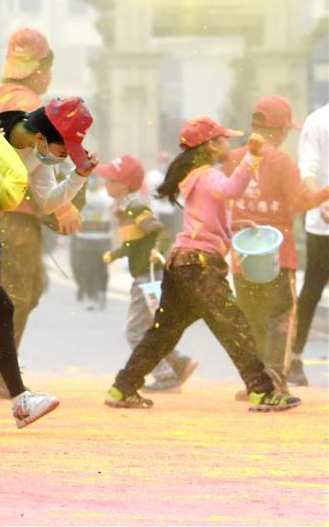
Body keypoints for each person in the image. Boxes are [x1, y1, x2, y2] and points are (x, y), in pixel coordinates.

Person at [105, 116, 301, 412]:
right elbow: (233, 188)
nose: (228, 144)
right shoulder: (208, 175)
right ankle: (261, 392)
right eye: (224, 140)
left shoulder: (197, 176)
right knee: (235, 327)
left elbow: (211, 216)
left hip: (182, 263)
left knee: (163, 332)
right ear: (211, 146)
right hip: (199, 267)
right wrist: (253, 156)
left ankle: (122, 388)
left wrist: (234, 225)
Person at [0, 97, 95, 427]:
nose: (64, 158)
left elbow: (46, 201)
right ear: (41, 138)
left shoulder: (37, 156)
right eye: (63, 150)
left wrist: (79, 177)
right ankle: (17, 399)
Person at [0, 28, 83, 397]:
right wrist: (64, 202)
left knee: (12, 293)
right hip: (13, 214)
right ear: (41, 69)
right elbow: (19, 156)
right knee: (15, 294)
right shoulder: (27, 101)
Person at [223, 96, 329, 394]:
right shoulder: (282, 162)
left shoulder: (233, 158)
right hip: (277, 257)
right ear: (282, 130)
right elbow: (300, 203)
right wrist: (324, 194)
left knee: (251, 318)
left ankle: (256, 383)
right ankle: (276, 382)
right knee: (280, 319)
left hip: (243, 256)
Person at [98, 154, 197, 393]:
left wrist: (157, 251)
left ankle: (165, 376)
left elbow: (161, 232)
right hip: (144, 276)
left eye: (110, 180)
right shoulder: (125, 209)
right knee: (152, 327)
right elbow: (134, 243)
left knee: (134, 332)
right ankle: (179, 363)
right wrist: (116, 254)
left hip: (148, 278)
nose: (105, 184)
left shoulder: (136, 208)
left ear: (123, 185)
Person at [289, 102, 329, 385]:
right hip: (323, 223)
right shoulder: (318, 122)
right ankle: (294, 357)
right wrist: (321, 201)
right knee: (313, 289)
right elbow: (308, 169)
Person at [70, 175, 111, 310]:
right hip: (85, 238)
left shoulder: (106, 196)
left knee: (101, 268)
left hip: (103, 238)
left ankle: (102, 292)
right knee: (87, 268)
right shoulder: (82, 195)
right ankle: (91, 295)